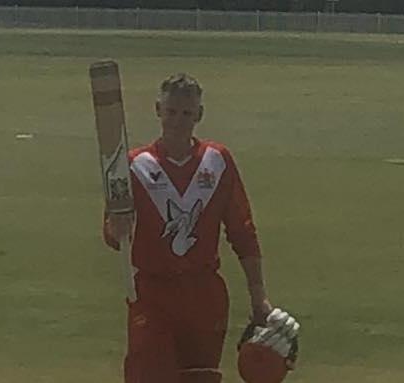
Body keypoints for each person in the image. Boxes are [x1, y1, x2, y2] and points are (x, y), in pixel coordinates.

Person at [103, 73, 294, 383]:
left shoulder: (217, 161)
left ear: (199, 115)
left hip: (204, 295)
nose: (178, 121)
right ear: (158, 110)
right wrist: (117, 226)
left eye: (187, 114)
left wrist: (259, 298)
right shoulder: (134, 165)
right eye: (171, 112)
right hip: (152, 294)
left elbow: (243, 233)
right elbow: (113, 235)